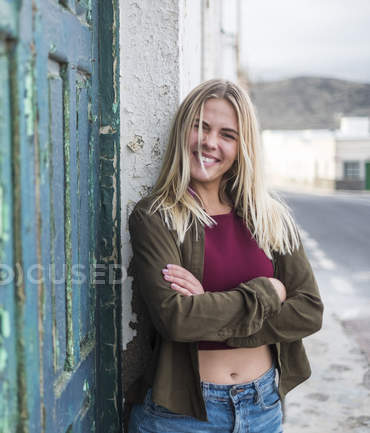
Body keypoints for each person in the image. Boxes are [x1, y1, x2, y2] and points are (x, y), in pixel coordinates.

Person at [126, 79, 324, 432]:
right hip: (182, 415)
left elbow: (308, 310)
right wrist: (266, 294)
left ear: (241, 145)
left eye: (227, 134)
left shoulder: (270, 215)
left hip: (262, 406)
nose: (210, 142)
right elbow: (176, 319)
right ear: (182, 131)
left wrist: (209, 308)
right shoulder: (156, 216)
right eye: (200, 126)